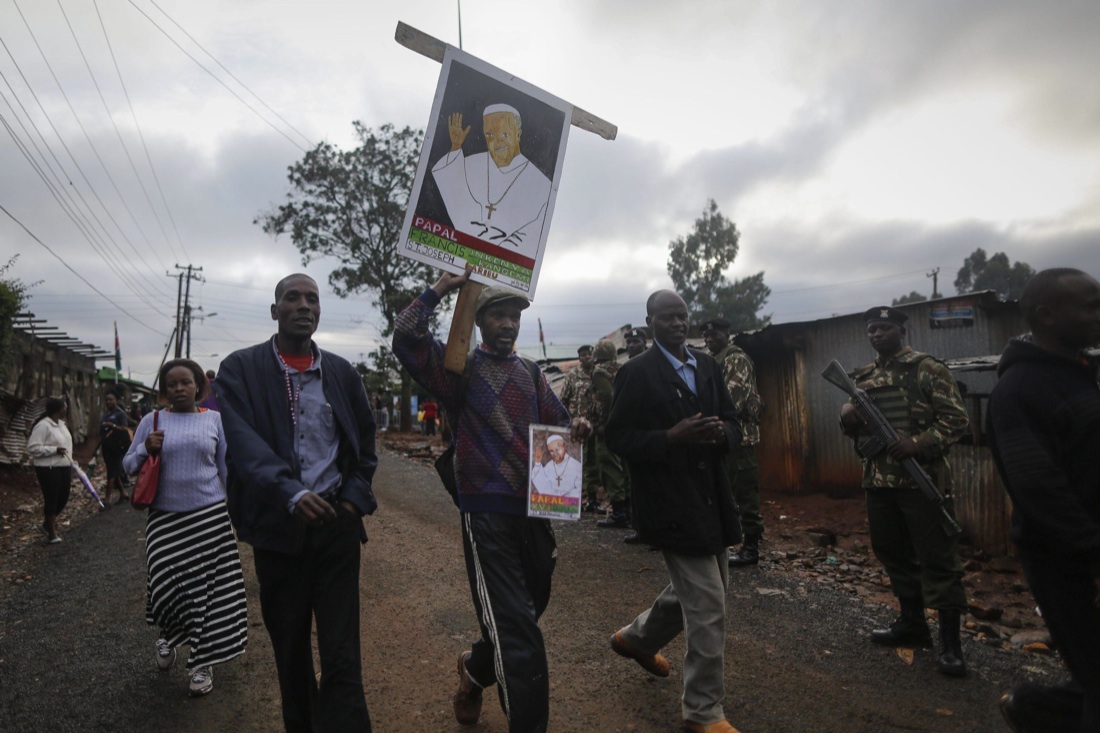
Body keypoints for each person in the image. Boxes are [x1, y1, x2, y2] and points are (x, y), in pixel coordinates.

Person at [392, 269, 589, 732]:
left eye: (514, 316)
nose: (508, 324)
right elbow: (406, 339)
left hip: (535, 508)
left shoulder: (531, 373)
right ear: (479, 321)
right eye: (498, 315)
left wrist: (578, 427)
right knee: (517, 625)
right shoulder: (457, 368)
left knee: (529, 605)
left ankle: (475, 669)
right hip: (485, 510)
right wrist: (442, 288)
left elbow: (560, 427)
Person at [214, 273, 378, 733]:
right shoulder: (240, 369)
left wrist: (352, 502)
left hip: (336, 528)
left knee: (342, 651)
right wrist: (291, 493)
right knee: (290, 649)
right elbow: (243, 445)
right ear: (275, 311)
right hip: (277, 532)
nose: (304, 305)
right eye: (292, 298)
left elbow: (365, 446)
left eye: (312, 299)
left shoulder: (342, 373)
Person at [605, 290, 743, 733]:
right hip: (670, 504)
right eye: (667, 317)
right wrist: (670, 437)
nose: (678, 324)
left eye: (682, 316)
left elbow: (735, 422)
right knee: (708, 604)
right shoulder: (636, 373)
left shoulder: (707, 366)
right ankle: (703, 711)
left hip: (712, 499)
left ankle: (636, 639)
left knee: (704, 591)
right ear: (650, 323)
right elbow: (617, 437)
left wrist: (722, 434)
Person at [988, 268, 1100, 733]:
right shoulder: (1020, 389)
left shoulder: (1079, 374)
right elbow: (1039, 490)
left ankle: (1032, 707)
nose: (1099, 315)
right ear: (1047, 315)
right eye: (1091, 306)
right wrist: (1093, 555)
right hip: (1069, 562)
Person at [838, 306, 970, 678]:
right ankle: (913, 624)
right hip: (879, 481)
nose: (876, 335)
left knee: (939, 560)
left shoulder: (927, 369)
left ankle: (950, 644)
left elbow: (957, 420)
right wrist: (846, 417)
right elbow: (855, 430)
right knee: (893, 554)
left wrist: (918, 443)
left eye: (884, 328)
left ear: (901, 331)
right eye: (871, 329)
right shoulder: (863, 378)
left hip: (921, 482)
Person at [123, 359, 248, 698]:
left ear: (198, 386)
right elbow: (128, 465)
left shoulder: (215, 421)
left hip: (209, 519)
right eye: (172, 384)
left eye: (186, 382)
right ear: (165, 390)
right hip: (164, 520)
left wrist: (236, 513)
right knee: (163, 585)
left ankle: (202, 664)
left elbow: (225, 470)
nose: (179, 388)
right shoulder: (152, 420)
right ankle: (167, 635)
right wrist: (145, 448)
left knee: (206, 594)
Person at [431, 105, 553, 258]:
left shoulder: (542, 186)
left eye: (505, 134)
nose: (497, 141)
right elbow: (453, 194)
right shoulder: (469, 165)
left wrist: (490, 259)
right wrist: (455, 147)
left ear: (518, 134)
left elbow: (528, 239)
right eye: (489, 135)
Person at [701, 319, 765, 567]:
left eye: (715, 334)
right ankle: (725, 541)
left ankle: (751, 546)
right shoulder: (712, 360)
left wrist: (704, 420)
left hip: (740, 438)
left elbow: (731, 401)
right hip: (718, 437)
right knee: (721, 491)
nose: (709, 339)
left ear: (727, 334)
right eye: (706, 335)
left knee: (745, 492)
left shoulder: (736, 359)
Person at [589, 339, 631, 529]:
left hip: (607, 428)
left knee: (609, 467)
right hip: (624, 424)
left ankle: (619, 512)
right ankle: (628, 510)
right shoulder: (620, 368)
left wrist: (605, 423)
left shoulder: (599, 372)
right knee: (624, 466)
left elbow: (608, 395)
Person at [26, 397, 73, 544]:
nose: (66, 410)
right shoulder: (43, 426)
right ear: (58, 410)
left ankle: (47, 524)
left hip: (64, 466)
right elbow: (33, 448)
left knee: (63, 497)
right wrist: (54, 450)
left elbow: (67, 446)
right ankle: (52, 534)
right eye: (64, 408)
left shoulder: (62, 425)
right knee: (51, 499)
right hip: (48, 469)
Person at [560, 344, 601, 512]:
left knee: (594, 464)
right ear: (579, 358)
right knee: (576, 464)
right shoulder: (572, 375)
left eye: (589, 354)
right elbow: (563, 399)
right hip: (577, 428)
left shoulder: (599, 374)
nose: (587, 357)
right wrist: (566, 422)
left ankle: (592, 500)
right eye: (583, 355)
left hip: (595, 426)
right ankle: (575, 500)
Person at [98, 391, 131, 507]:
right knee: (113, 470)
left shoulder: (120, 414)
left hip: (117, 447)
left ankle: (106, 500)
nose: (108, 402)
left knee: (112, 472)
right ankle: (123, 493)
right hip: (106, 447)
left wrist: (112, 426)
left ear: (116, 400)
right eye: (106, 400)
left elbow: (125, 429)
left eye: (111, 399)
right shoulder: (105, 414)